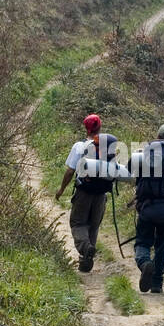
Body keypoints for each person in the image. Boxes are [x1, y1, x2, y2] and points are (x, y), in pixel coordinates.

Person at [55, 113, 117, 272]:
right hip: (101, 194)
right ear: (100, 128)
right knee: (93, 226)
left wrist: (62, 189)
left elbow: (70, 171)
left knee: (78, 223)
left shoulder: (79, 146)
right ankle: (86, 262)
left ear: (86, 128)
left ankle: (86, 248)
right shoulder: (107, 146)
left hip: (83, 193)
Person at [130, 123, 164, 293]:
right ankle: (156, 284)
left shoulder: (144, 153)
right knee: (162, 246)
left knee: (142, 241)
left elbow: (133, 176)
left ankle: (145, 263)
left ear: (158, 136)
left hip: (147, 209)